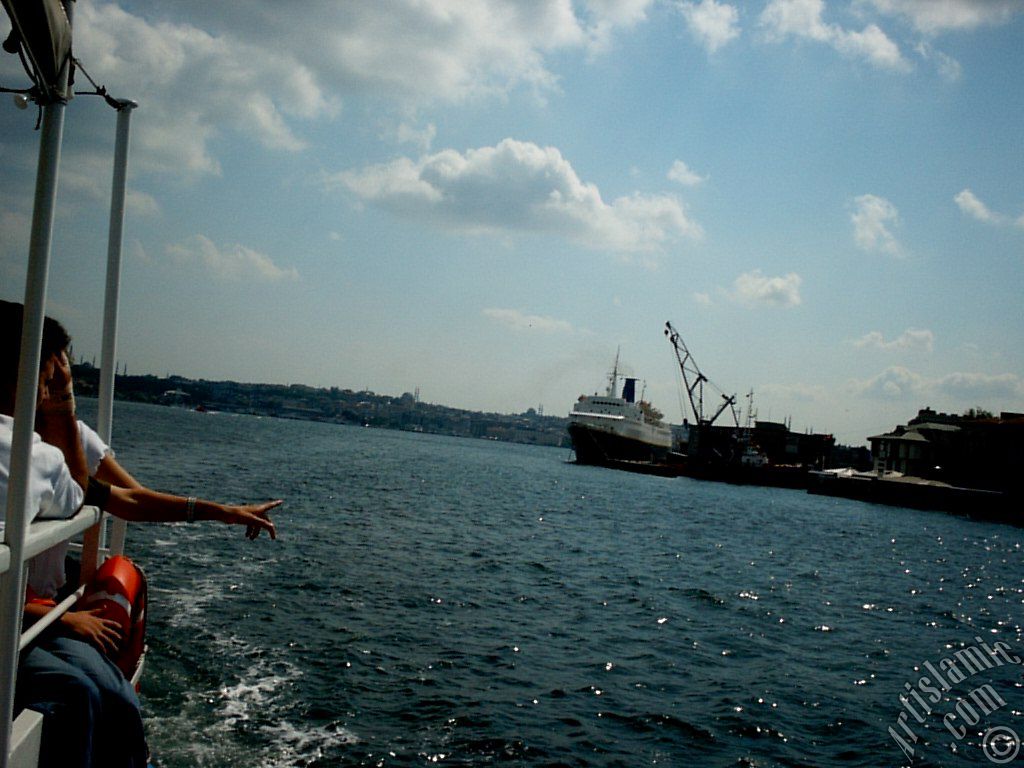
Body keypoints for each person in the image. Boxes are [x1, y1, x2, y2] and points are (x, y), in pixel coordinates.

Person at [1, 300, 281, 767]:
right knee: (84, 693)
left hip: (35, 612)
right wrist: (53, 618)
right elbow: (95, 494)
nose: (55, 385)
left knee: (110, 694)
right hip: (30, 615)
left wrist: (223, 512)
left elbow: (127, 497)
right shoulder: (33, 454)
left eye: (61, 376)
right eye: (53, 374)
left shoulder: (65, 445)